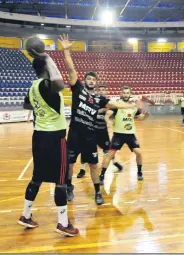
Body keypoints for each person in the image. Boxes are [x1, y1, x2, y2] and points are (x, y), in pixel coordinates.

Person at [60, 34, 137, 205]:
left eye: (94, 79)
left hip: (89, 137)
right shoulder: (78, 89)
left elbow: (116, 105)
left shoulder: (100, 99)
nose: (91, 81)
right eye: (89, 78)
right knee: (70, 164)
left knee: (94, 165)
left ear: (96, 82)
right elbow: (71, 70)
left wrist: (132, 105)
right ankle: (69, 187)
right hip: (73, 135)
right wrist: (66, 51)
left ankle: (97, 192)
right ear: (85, 81)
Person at [18, 47, 78, 236]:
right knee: (61, 181)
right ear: (46, 68)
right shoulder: (46, 85)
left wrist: (39, 108)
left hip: (39, 136)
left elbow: (26, 104)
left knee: (37, 177)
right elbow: (59, 83)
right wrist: (47, 56)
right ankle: (62, 223)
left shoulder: (33, 87)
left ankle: (25, 215)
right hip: (55, 137)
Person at [99, 86, 150, 185]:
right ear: (121, 94)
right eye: (124, 93)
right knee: (110, 155)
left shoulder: (133, 106)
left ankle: (139, 172)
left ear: (130, 94)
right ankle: (102, 176)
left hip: (130, 135)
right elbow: (108, 114)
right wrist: (108, 121)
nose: (126, 94)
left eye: (127, 93)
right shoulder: (117, 106)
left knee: (139, 153)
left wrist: (146, 115)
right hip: (118, 135)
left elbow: (140, 118)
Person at [77, 85, 123, 179]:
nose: (102, 91)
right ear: (97, 91)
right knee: (85, 149)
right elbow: (88, 110)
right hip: (92, 131)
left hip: (103, 131)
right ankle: (82, 169)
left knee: (108, 149)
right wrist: (100, 110)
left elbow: (115, 110)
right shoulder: (93, 100)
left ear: (106, 92)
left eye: (103, 90)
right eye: (100, 90)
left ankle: (115, 163)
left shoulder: (109, 103)